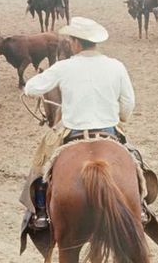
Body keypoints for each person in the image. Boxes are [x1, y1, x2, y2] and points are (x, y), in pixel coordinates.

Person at [20, 17, 135, 230]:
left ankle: (41, 213)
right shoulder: (116, 66)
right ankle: (143, 207)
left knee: (39, 166)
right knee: (136, 162)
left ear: (75, 42)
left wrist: (28, 90)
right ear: (95, 42)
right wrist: (121, 117)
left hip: (71, 131)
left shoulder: (64, 67)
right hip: (109, 129)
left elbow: (33, 87)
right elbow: (129, 103)